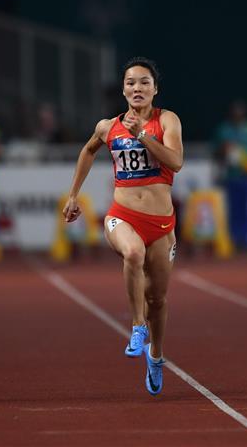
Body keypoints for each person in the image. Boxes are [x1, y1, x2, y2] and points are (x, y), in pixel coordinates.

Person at [63, 57, 183, 396]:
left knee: (158, 299)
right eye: (131, 82)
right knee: (132, 253)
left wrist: (142, 134)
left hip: (161, 223)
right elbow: (88, 152)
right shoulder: (107, 126)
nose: (137, 88)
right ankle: (136, 326)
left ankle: (156, 357)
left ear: (155, 89)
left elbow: (175, 161)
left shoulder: (167, 120)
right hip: (123, 215)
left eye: (144, 82)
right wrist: (73, 195)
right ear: (123, 89)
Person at [213, 100, 247, 250]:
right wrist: (224, 150)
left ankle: (245, 240)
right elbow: (216, 152)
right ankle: (233, 239)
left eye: (240, 112)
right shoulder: (223, 130)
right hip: (230, 175)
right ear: (231, 114)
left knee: (245, 207)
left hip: (246, 174)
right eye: (235, 112)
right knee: (232, 208)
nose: (238, 115)